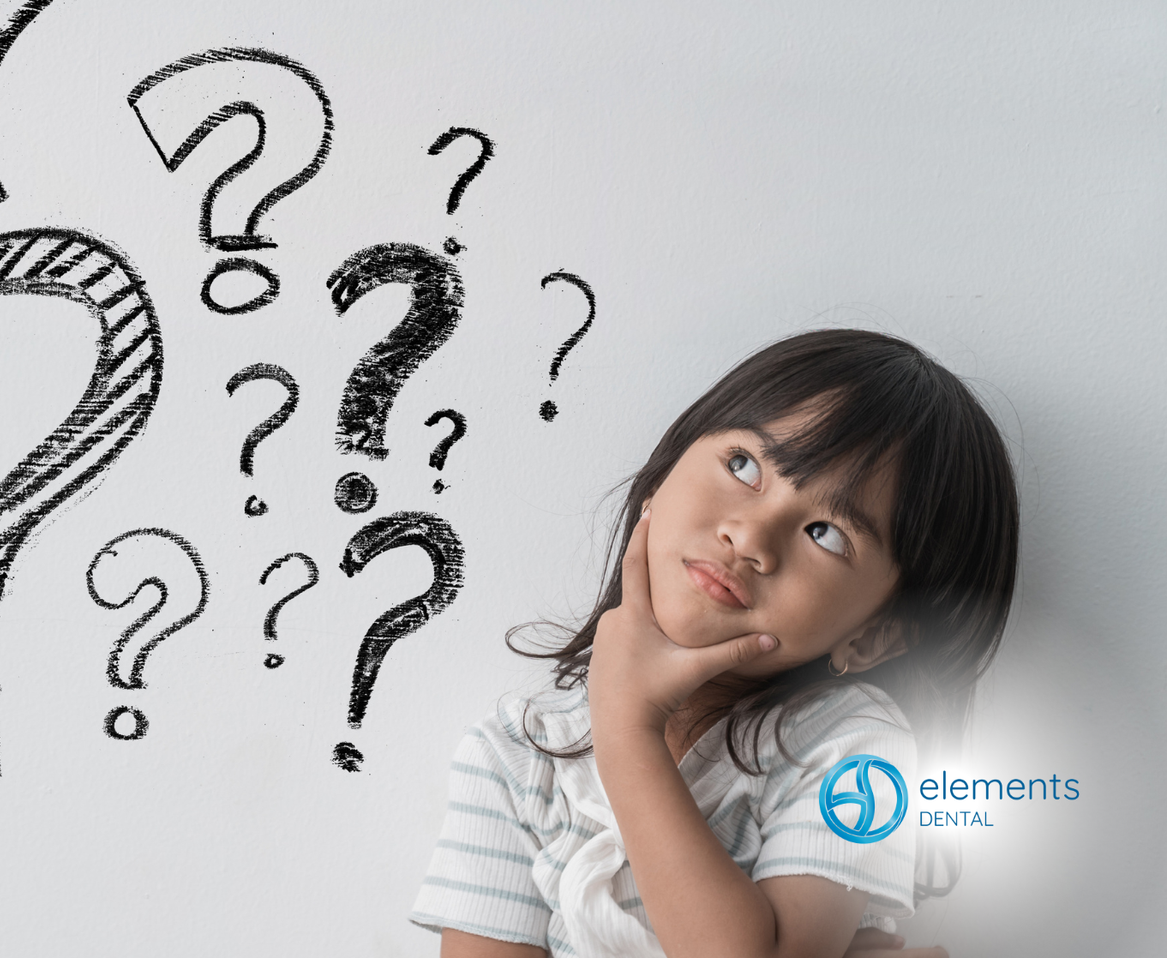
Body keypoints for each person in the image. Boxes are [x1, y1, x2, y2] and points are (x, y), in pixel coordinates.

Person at [409, 329, 1017, 958]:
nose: (751, 536)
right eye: (743, 465)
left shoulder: (858, 753)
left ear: (874, 637)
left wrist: (626, 730)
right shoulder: (517, 751)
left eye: (826, 533)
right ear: (660, 480)